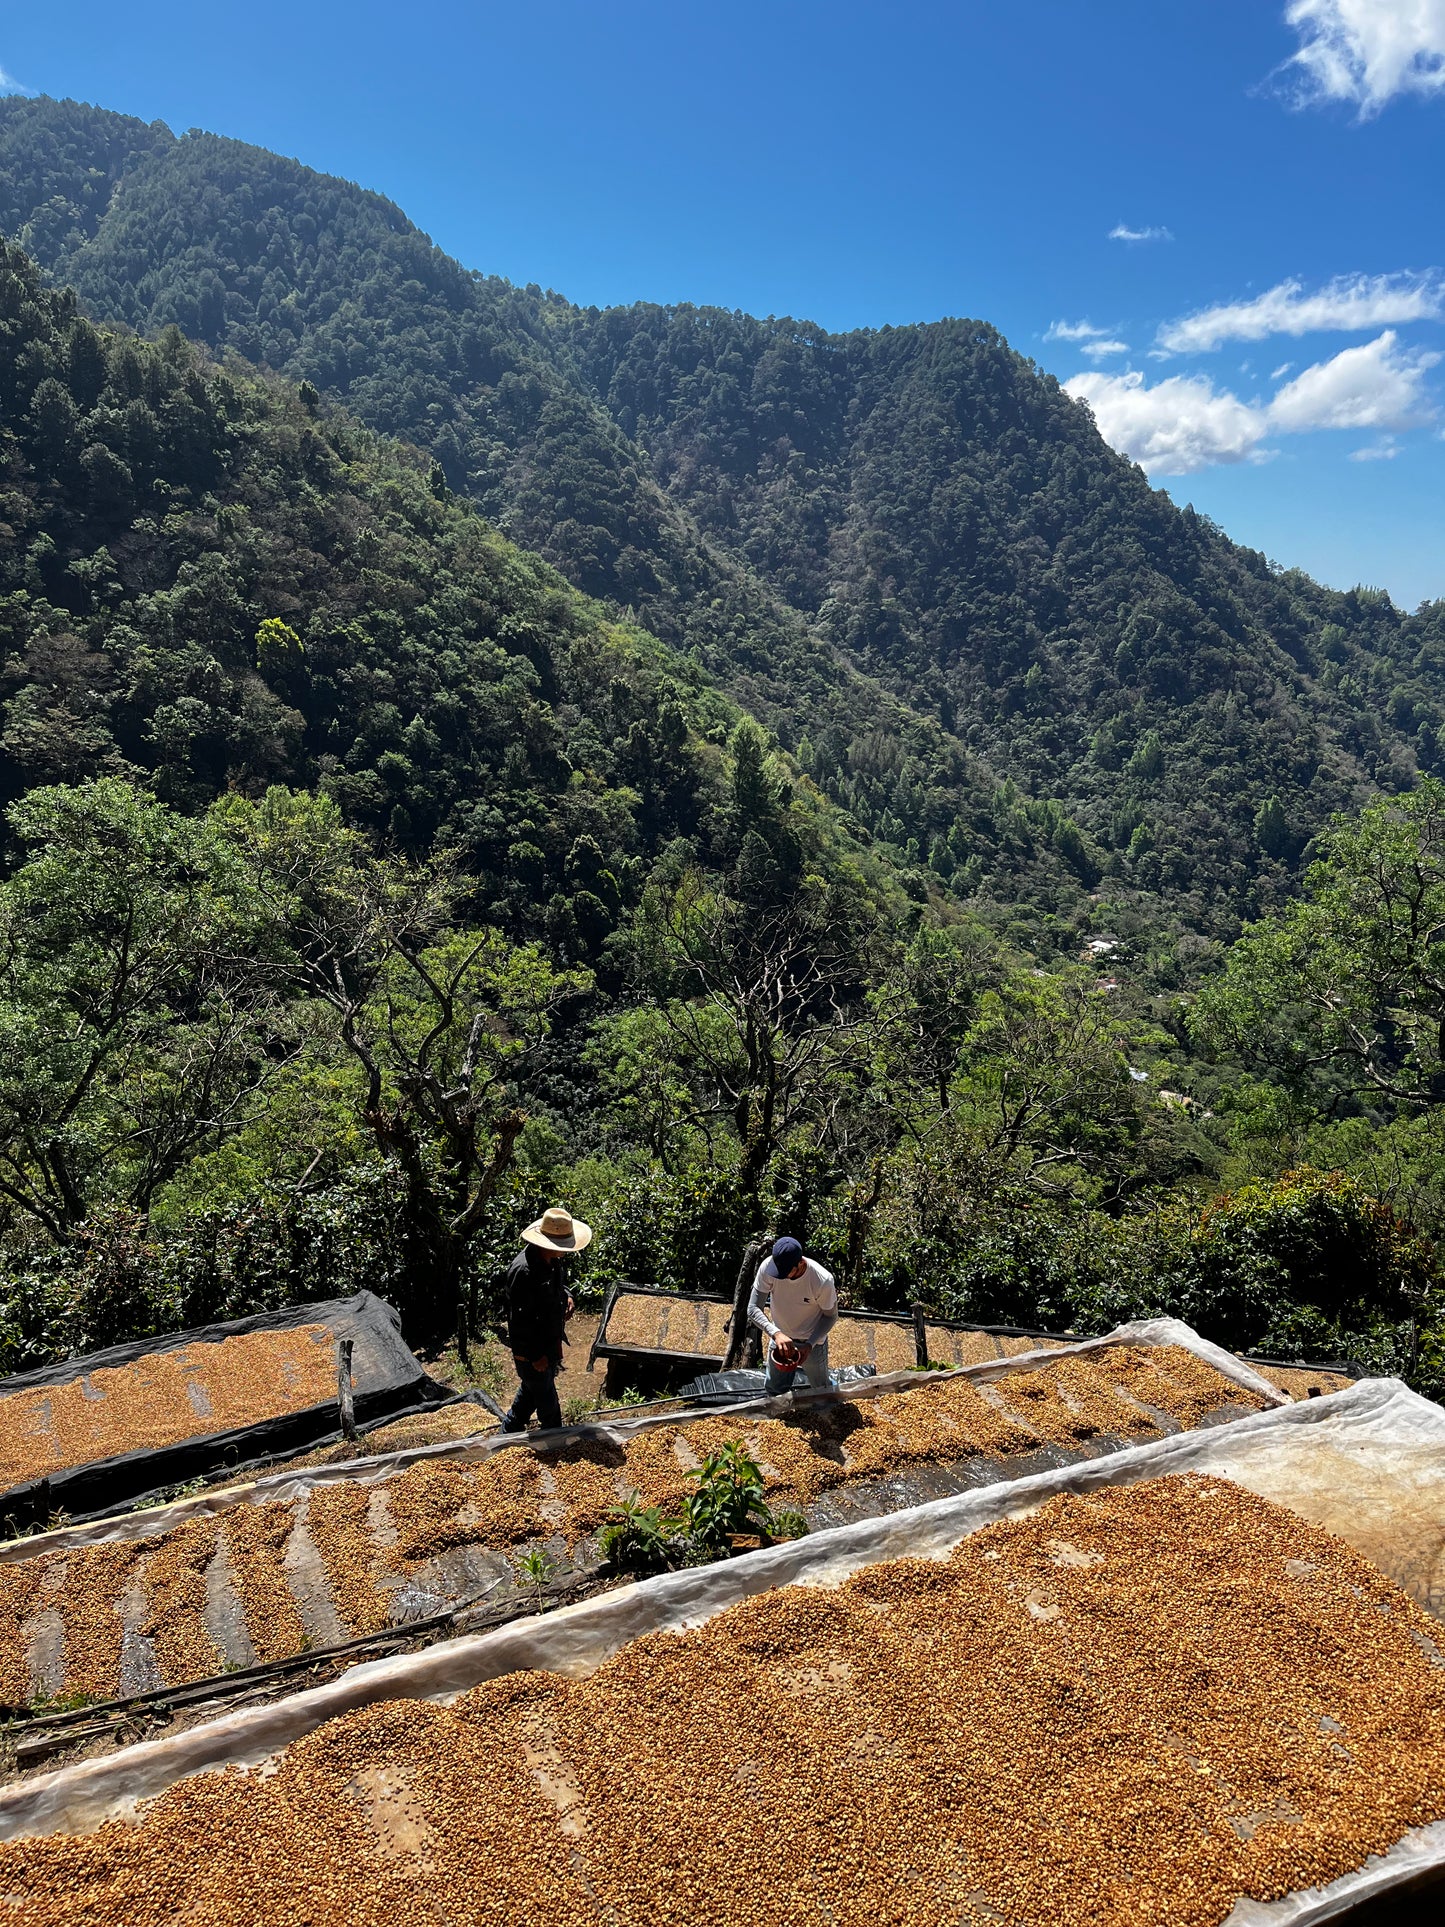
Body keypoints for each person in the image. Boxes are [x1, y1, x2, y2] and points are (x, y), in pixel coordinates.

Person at [502, 1206, 591, 1433]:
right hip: (533, 1351)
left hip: (547, 1344)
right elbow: (520, 1321)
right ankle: (555, 1445)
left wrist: (567, 1296)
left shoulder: (550, 1260)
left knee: (529, 1396)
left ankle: (505, 1437)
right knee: (548, 1407)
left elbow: (556, 1287)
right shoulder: (524, 1271)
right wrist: (535, 1356)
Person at [747, 1235, 839, 1394]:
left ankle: (827, 1414)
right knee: (775, 1389)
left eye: (785, 1272)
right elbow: (753, 1308)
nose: (778, 1275)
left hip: (812, 1341)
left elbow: (831, 1316)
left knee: (821, 1390)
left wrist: (810, 1344)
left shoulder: (822, 1280)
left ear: (801, 1263)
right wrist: (775, 1333)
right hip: (780, 1338)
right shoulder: (768, 1267)